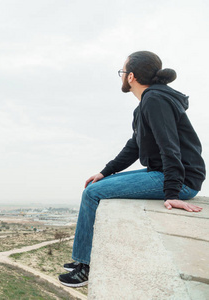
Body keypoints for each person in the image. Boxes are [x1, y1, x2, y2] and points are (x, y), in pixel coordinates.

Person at [58, 51, 206, 288]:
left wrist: (172, 193)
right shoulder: (145, 105)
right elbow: (135, 146)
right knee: (96, 186)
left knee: (92, 193)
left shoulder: (155, 100)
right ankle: (82, 260)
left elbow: (171, 148)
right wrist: (105, 172)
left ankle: (85, 267)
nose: (122, 75)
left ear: (131, 77)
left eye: (123, 71)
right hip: (165, 173)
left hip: (180, 180)